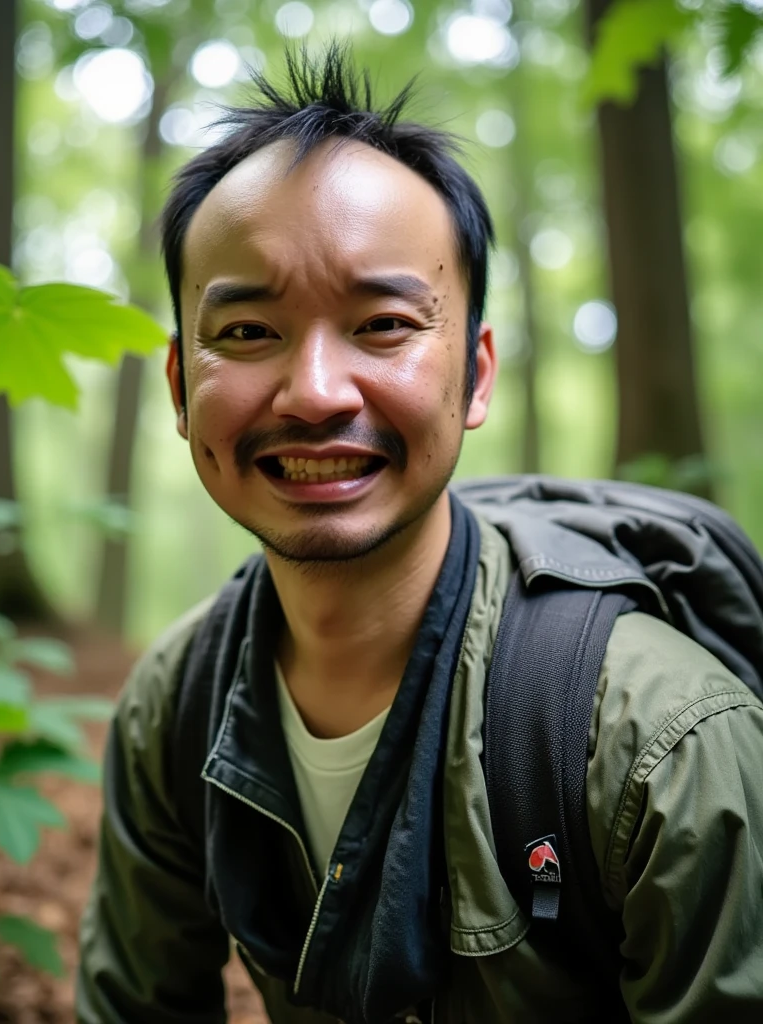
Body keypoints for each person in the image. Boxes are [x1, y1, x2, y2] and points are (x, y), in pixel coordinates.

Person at [77, 43, 763, 1024]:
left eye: (384, 323)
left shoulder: (655, 743)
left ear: (475, 375)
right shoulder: (175, 703)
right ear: (182, 390)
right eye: (245, 331)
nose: (315, 394)